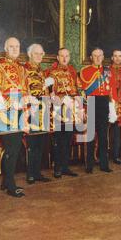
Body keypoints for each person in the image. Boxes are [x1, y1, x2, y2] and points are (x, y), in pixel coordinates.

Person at [0, 37, 27, 197]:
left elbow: (25, 89)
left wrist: (25, 105)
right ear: (5, 48)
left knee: (16, 147)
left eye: (17, 46)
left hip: (19, 110)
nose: (14, 49)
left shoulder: (22, 68)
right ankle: (11, 184)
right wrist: (4, 106)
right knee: (10, 148)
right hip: (5, 111)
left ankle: (6, 180)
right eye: (11, 46)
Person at [44, 48, 81, 178]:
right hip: (58, 110)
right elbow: (49, 91)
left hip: (70, 109)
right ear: (57, 57)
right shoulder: (51, 72)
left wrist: (77, 97)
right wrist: (56, 98)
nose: (64, 58)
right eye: (62, 56)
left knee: (68, 139)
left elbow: (77, 88)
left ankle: (65, 167)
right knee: (58, 140)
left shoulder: (72, 72)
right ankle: (57, 168)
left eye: (67, 56)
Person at [79, 48, 113, 173]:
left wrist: (113, 106)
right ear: (91, 57)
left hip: (104, 102)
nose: (98, 58)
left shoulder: (108, 71)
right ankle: (89, 165)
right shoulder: (85, 71)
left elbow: (112, 89)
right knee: (91, 136)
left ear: (103, 57)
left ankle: (104, 165)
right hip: (92, 102)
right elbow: (82, 92)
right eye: (95, 55)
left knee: (104, 137)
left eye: (100, 55)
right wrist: (83, 109)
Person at [23, 44, 51, 184]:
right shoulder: (24, 69)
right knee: (32, 143)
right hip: (32, 108)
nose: (39, 56)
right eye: (36, 53)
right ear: (30, 54)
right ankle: (30, 174)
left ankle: (37, 172)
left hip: (43, 107)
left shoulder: (41, 71)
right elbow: (24, 89)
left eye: (41, 53)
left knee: (41, 142)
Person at [109, 50, 121, 165]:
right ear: (112, 57)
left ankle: (116, 155)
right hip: (109, 102)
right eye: (115, 56)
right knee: (105, 129)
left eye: (120, 56)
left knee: (117, 130)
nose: (117, 58)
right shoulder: (106, 70)